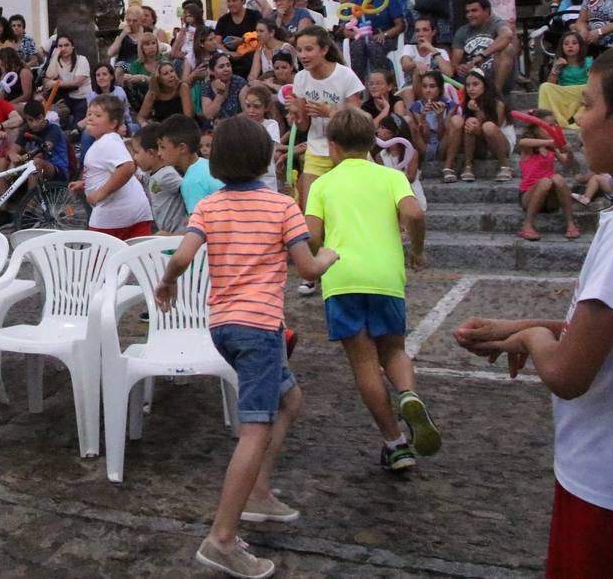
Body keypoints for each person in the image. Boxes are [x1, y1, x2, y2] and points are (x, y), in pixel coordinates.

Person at [452, 46, 613, 577]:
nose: (578, 119)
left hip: (608, 481)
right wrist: (521, 327)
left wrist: (534, 342)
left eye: (589, 104)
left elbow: (569, 373)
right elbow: (609, 335)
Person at [155, 116, 338, 579]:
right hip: (259, 329)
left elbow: (182, 255)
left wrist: (167, 283)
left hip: (224, 326)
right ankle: (221, 539)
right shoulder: (282, 207)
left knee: (290, 399)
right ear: (264, 160)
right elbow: (307, 269)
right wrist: (329, 256)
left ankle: (258, 494)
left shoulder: (210, 207)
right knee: (255, 428)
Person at [305, 109, 437, 471]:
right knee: (393, 351)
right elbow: (415, 214)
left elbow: (311, 236)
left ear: (332, 146)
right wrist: (418, 251)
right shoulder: (391, 177)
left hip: (342, 279)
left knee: (364, 363)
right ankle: (408, 394)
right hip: (386, 277)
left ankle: (395, 443)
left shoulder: (322, 184)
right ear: (370, 144)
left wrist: (316, 261)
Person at [290, 26, 365, 212]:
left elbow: (357, 122)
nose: (303, 55)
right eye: (299, 50)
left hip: (349, 148)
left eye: (309, 49)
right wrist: (296, 114)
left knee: (353, 204)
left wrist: (330, 112)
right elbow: (303, 126)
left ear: (324, 50)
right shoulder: (300, 78)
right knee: (311, 208)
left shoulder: (345, 76)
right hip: (317, 148)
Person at [69, 95, 153, 240]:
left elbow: (127, 167)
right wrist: (85, 184)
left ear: (113, 123)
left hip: (113, 216)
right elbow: (111, 172)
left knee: (100, 260)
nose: (90, 118)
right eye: (89, 114)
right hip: (135, 212)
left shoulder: (107, 141)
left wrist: (100, 193)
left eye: (97, 115)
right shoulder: (107, 141)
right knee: (136, 259)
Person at [515, 109, 580, 242]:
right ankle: (527, 226)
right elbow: (523, 142)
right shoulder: (529, 147)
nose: (551, 129)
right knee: (545, 181)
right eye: (547, 126)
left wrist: (570, 152)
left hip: (550, 199)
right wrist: (548, 142)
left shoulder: (552, 148)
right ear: (536, 127)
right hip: (529, 195)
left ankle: (570, 223)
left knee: (558, 178)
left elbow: (567, 165)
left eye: (553, 126)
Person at [442, 69, 511, 184]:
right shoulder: (467, 102)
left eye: (475, 84)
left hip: (500, 145)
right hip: (479, 145)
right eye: (468, 85)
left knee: (487, 126)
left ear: (485, 85)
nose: (471, 88)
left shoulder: (498, 104)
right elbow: (452, 128)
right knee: (469, 121)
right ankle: (466, 166)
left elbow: (493, 130)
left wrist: (478, 111)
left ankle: (505, 166)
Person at [344, 0, 407, 79]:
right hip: (361, 38)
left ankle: (385, 82)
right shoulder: (355, 0)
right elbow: (346, 29)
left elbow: (400, 25)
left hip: (384, 37)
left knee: (373, 46)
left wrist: (385, 34)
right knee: (357, 47)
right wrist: (356, 34)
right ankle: (359, 86)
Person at [452, 0, 517, 93]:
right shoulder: (462, 32)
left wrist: (482, 55)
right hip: (474, 78)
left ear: (486, 11)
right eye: (467, 12)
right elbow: (455, 63)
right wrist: (459, 67)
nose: (469, 15)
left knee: (508, 48)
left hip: (497, 75)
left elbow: (507, 35)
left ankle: (496, 93)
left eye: (474, 11)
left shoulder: (497, 23)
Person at [133, 122, 186, 234]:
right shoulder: (150, 173)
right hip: (165, 230)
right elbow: (144, 179)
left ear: (151, 153)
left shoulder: (167, 174)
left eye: (136, 152)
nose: (134, 157)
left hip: (176, 234)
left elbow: (188, 188)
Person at [538, 30, 593, 128]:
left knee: (590, 88)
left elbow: (594, 84)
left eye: (574, 43)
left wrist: (590, 72)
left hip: (582, 95)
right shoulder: (558, 62)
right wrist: (556, 69)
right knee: (544, 86)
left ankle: (575, 118)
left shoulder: (588, 61)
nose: (570, 46)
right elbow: (551, 86)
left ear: (580, 46)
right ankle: (546, 119)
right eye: (566, 44)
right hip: (564, 94)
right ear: (562, 47)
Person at [399, 17, 453, 104]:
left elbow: (449, 73)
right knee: (408, 91)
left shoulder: (441, 52)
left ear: (433, 32)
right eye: (417, 30)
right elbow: (405, 65)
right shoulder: (409, 48)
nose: (421, 34)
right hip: (412, 88)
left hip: (434, 92)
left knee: (443, 87)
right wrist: (416, 63)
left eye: (425, 30)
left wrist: (432, 49)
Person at [215, 0, 263, 77]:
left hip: (253, 61)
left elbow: (262, 37)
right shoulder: (223, 20)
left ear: (243, 0)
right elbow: (216, 42)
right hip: (230, 63)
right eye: (229, 1)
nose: (231, 4)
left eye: (234, 0)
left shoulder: (254, 16)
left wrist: (242, 41)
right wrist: (228, 52)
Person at [13, 100, 70, 183]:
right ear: (26, 119)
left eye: (38, 119)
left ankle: (33, 195)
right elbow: (14, 149)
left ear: (44, 116)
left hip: (59, 171)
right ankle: (3, 195)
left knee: (36, 163)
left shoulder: (54, 129)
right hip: (34, 166)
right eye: (30, 120)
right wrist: (13, 156)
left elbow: (47, 147)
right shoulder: (26, 130)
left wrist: (26, 157)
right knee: (2, 162)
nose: (35, 124)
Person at [42, 35, 92, 125]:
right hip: (66, 98)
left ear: (72, 46)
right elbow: (49, 76)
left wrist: (55, 83)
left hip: (82, 98)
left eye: (66, 45)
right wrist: (56, 54)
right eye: (60, 46)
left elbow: (76, 82)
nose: (63, 48)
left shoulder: (82, 60)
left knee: (77, 123)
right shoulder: (57, 61)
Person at [241, 84, 282, 192]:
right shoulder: (241, 125)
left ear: (266, 107)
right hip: (245, 180)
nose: (251, 110)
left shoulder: (271, 124)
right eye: (248, 106)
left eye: (256, 106)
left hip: (265, 181)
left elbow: (265, 149)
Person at [200, 52, 247, 127]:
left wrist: (226, 122)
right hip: (214, 127)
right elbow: (209, 115)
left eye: (228, 65)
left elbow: (247, 111)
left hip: (237, 125)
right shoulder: (207, 86)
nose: (226, 69)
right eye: (221, 67)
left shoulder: (239, 82)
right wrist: (220, 93)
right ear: (212, 71)